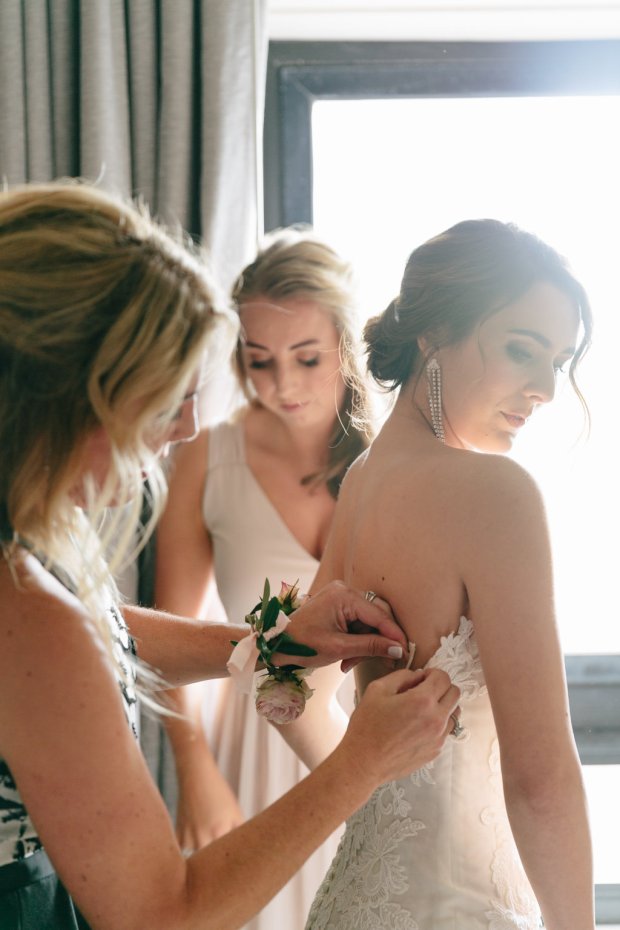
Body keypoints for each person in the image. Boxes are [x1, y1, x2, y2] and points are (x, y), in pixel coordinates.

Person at [0, 181, 463, 930]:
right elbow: (162, 912)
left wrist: (264, 646)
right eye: (164, 396)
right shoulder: (23, 608)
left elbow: (97, 630)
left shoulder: (27, 547)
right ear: (64, 390)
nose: (187, 427)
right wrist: (361, 763)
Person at [305, 219, 595, 930]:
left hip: (351, 905)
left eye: (556, 361)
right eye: (521, 349)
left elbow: (289, 682)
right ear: (433, 334)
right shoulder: (495, 494)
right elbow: (540, 781)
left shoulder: (363, 481)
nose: (545, 389)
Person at [154, 227, 373, 929]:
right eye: (258, 361)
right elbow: (164, 641)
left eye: (307, 359)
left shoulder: (392, 463)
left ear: (345, 344)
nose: (283, 386)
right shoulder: (206, 458)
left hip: (373, 748)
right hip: (249, 754)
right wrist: (197, 778)